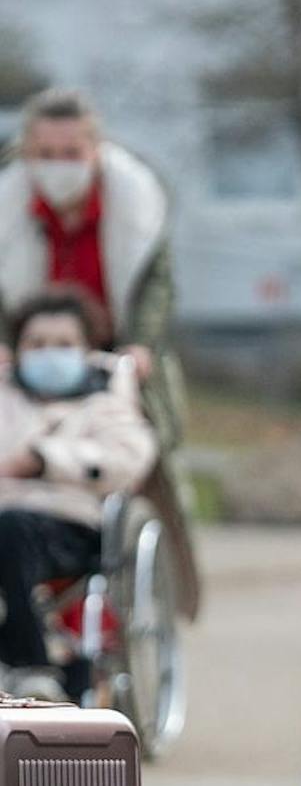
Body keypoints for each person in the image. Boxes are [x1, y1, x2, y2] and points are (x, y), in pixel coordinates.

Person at [0, 88, 185, 456]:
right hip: (32, 354)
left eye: (71, 153)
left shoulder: (139, 208)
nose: (58, 165)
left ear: (95, 149)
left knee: (147, 450)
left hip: (116, 356)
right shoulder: (9, 209)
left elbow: (155, 283)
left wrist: (141, 344)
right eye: (45, 154)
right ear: (27, 153)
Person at [0, 290, 158, 701]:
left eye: (64, 344)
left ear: (87, 350)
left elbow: (130, 457)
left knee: (10, 532)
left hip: (69, 525)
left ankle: (30, 663)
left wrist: (43, 459)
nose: (49, 353)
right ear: (17, 350)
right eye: (36, 344)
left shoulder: (104, 403)